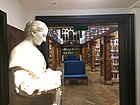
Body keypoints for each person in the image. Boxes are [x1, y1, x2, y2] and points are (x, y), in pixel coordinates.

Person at [9, 20, 62, 96]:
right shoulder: (19, 51)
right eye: (43, 35)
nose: (44, 40)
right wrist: (51, 81)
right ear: (33, 33)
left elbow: (39, 74)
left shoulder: (36, 50)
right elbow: (24, 87)